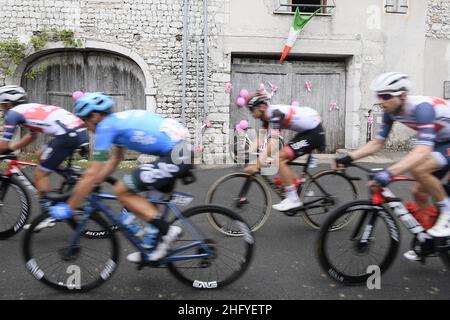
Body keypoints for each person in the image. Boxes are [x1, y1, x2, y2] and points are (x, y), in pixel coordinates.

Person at [49, 92, 192, 263]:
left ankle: (168, 232)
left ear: (94, 116)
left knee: (121, 190)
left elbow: (93, 171)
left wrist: (69, 207)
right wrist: (95, 181)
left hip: (175, 155)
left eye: (85, 121)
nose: (86, 127)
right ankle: (152, 248)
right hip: (179, 151)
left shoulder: (105, 127)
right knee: (150, 206)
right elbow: (116, 159)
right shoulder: (115, 123)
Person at [333, 72, 450, 261]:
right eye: (379, 96)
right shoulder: (391, 112)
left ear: (402, 95)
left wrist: (390, 172)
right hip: (441, 141)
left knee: (420, 169)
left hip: (442, 142)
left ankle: (447, 212)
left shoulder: (422, 108)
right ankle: (429, 241)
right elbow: (377, 143)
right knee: (419, 192)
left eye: (386, 96)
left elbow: (422, 149)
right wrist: (348, 157)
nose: (381, 101)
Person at [0, 85, 89, 229]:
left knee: (39, 174)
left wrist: (7, 148)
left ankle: (49, 215)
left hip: (68, 135)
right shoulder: (27, 109)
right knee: (41, 155)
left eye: (3, 104)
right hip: (77, 130)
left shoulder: (13, 114)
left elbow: (3, 145)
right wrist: (12, 149)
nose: (2, 108)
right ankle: (72, 179)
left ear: (9, 102)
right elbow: (31, 136)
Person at [243, 89, 326, 211]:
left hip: (314, 133)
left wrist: (257, 163)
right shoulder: (266, 116)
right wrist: (247, 154)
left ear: (261, 106)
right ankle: (299, 188)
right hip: (307, 131)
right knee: (282, 158)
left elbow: (274, 142)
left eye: (251, 109)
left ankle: (293, 199)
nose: (250, 113)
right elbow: (260, 136)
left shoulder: (275, 113)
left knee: (279, 158)